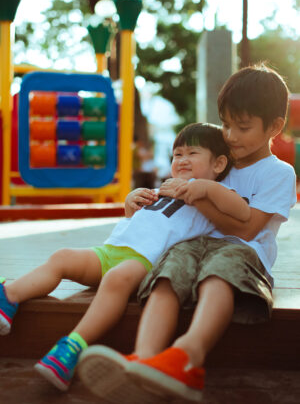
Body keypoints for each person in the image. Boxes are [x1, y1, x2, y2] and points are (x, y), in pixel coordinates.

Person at [77, 64, 297, 403]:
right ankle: (145, 359)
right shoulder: (219, 159)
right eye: (225, 124)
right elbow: (175, 203)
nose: (231, 135)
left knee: (218, 274)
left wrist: (200, 192)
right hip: (194, 245)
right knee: (167, 273)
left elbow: (249, 228)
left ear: (275, 127)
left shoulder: (278, 173)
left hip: (244, 254)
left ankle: (186, 357)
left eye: (243, 127)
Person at [0, 123, 250, 392]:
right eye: (177, 154)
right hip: (111, 250)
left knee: (116, 279)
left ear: (219, 163)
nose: (182, 160)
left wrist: (204, 187)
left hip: (143, 262)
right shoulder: (165, 186)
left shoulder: (213, 195)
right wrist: (131, 202)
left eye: (193, 153)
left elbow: (242, 211)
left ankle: (71, 347)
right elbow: (143, 220)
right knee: (62, 257)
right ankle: (9, 296)